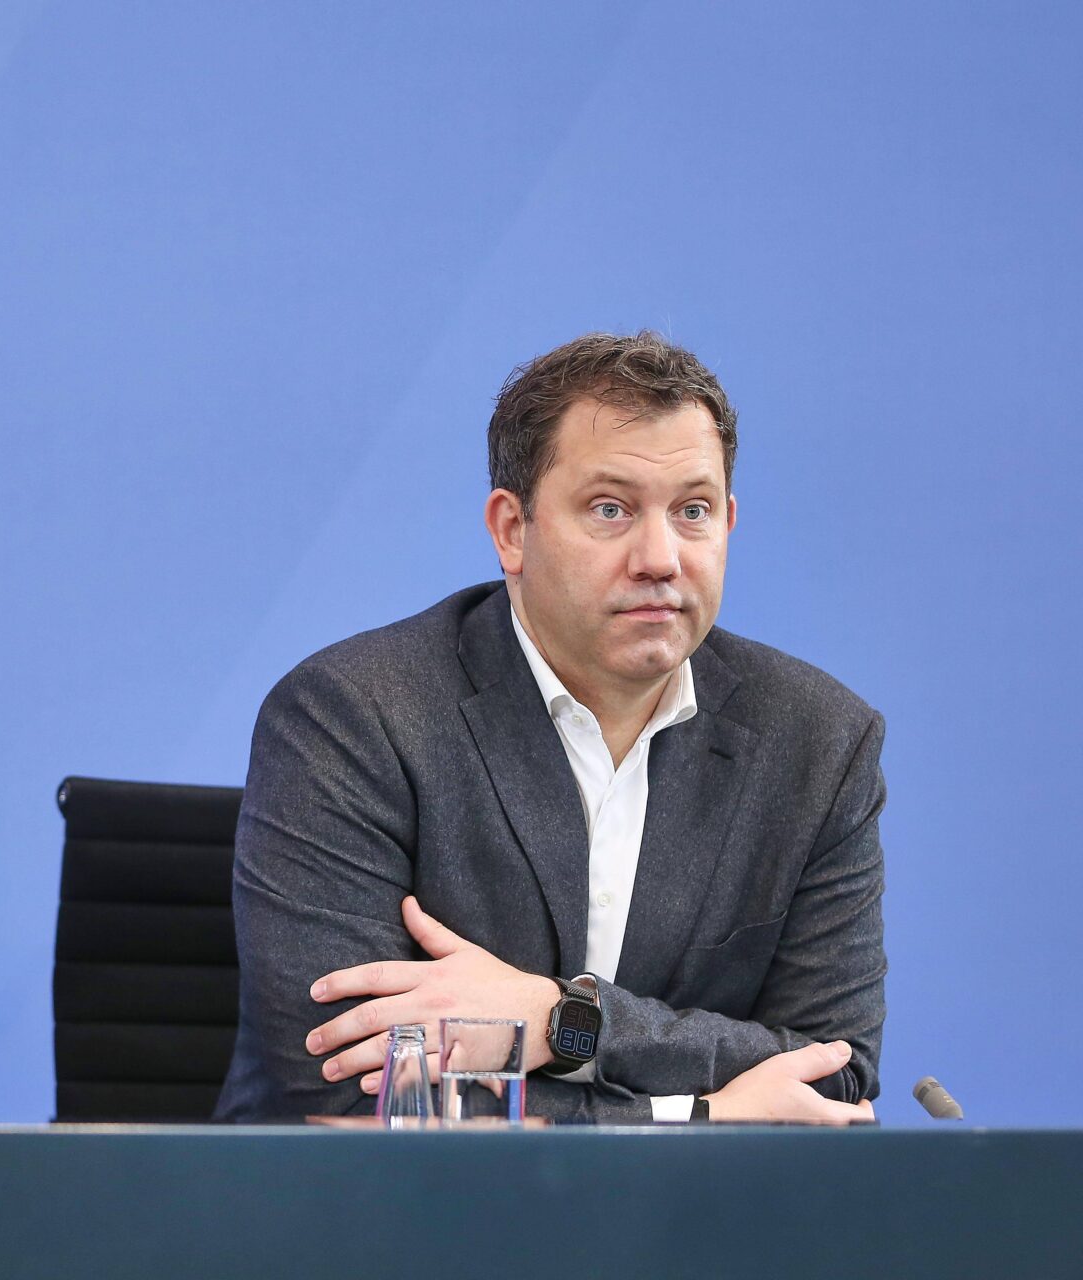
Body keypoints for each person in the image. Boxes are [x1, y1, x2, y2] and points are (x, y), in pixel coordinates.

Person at [215, 333, 885, 1123]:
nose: (661, 558)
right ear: (512, 530)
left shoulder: (817, 743)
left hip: (694, 1208)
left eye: (693, 511)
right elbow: (350, 1089)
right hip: (377, 1202)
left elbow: (834, 1074)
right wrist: (698, 1114)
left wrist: (560, 1022)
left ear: (729, 523)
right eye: (610, 509)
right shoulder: (354, 716)